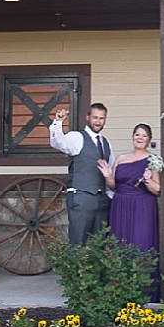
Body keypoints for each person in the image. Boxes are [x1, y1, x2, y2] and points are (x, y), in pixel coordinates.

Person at [98, 123, 161, 301]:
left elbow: (158, 189)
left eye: (144, 135)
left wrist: (148, 180)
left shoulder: (153, 160)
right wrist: (108, 176)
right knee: (120, 243)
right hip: (120, 205)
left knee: (142, 242)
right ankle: (120, 291)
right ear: (132, 137)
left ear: (149, 139)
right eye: (137, 134)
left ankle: (145, 293)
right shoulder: (120, 158)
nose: (139, 138)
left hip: (143, 206)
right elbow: (114, 185)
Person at [50, 103, 113, 246]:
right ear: (87, 117)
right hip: (81, 197)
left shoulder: (106, 143)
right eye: (95, 117)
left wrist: (109, 194)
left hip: (101, 199)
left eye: (102, 118)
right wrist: (59, 122)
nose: (98, 121)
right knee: (78, 243)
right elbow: (58, 143)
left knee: (101, 245)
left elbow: (111, 168)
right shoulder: (77, 137)